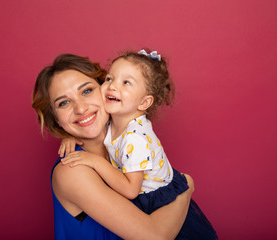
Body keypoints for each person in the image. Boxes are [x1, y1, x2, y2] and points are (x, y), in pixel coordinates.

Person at [32, 53, 195, 240]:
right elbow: (155, 237)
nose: (80, 108)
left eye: (86, 91)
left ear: (105, 91)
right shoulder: (72, 171)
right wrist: (186, 187)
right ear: (56, 119)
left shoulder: (125, 139)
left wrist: (70, 134)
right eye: (64, 103)